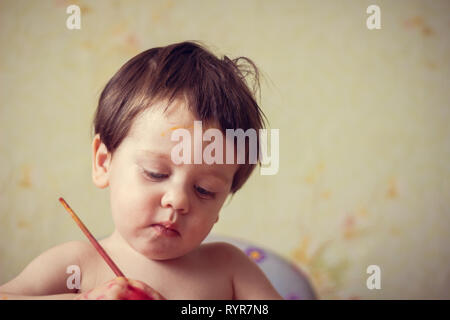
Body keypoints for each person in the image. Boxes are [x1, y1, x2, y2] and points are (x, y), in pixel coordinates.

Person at [0, 41, 282, 300]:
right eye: (156, 173)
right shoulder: (77, 265)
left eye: (204, 190)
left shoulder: (228, 268)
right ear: (103, 162)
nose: (178, 200)